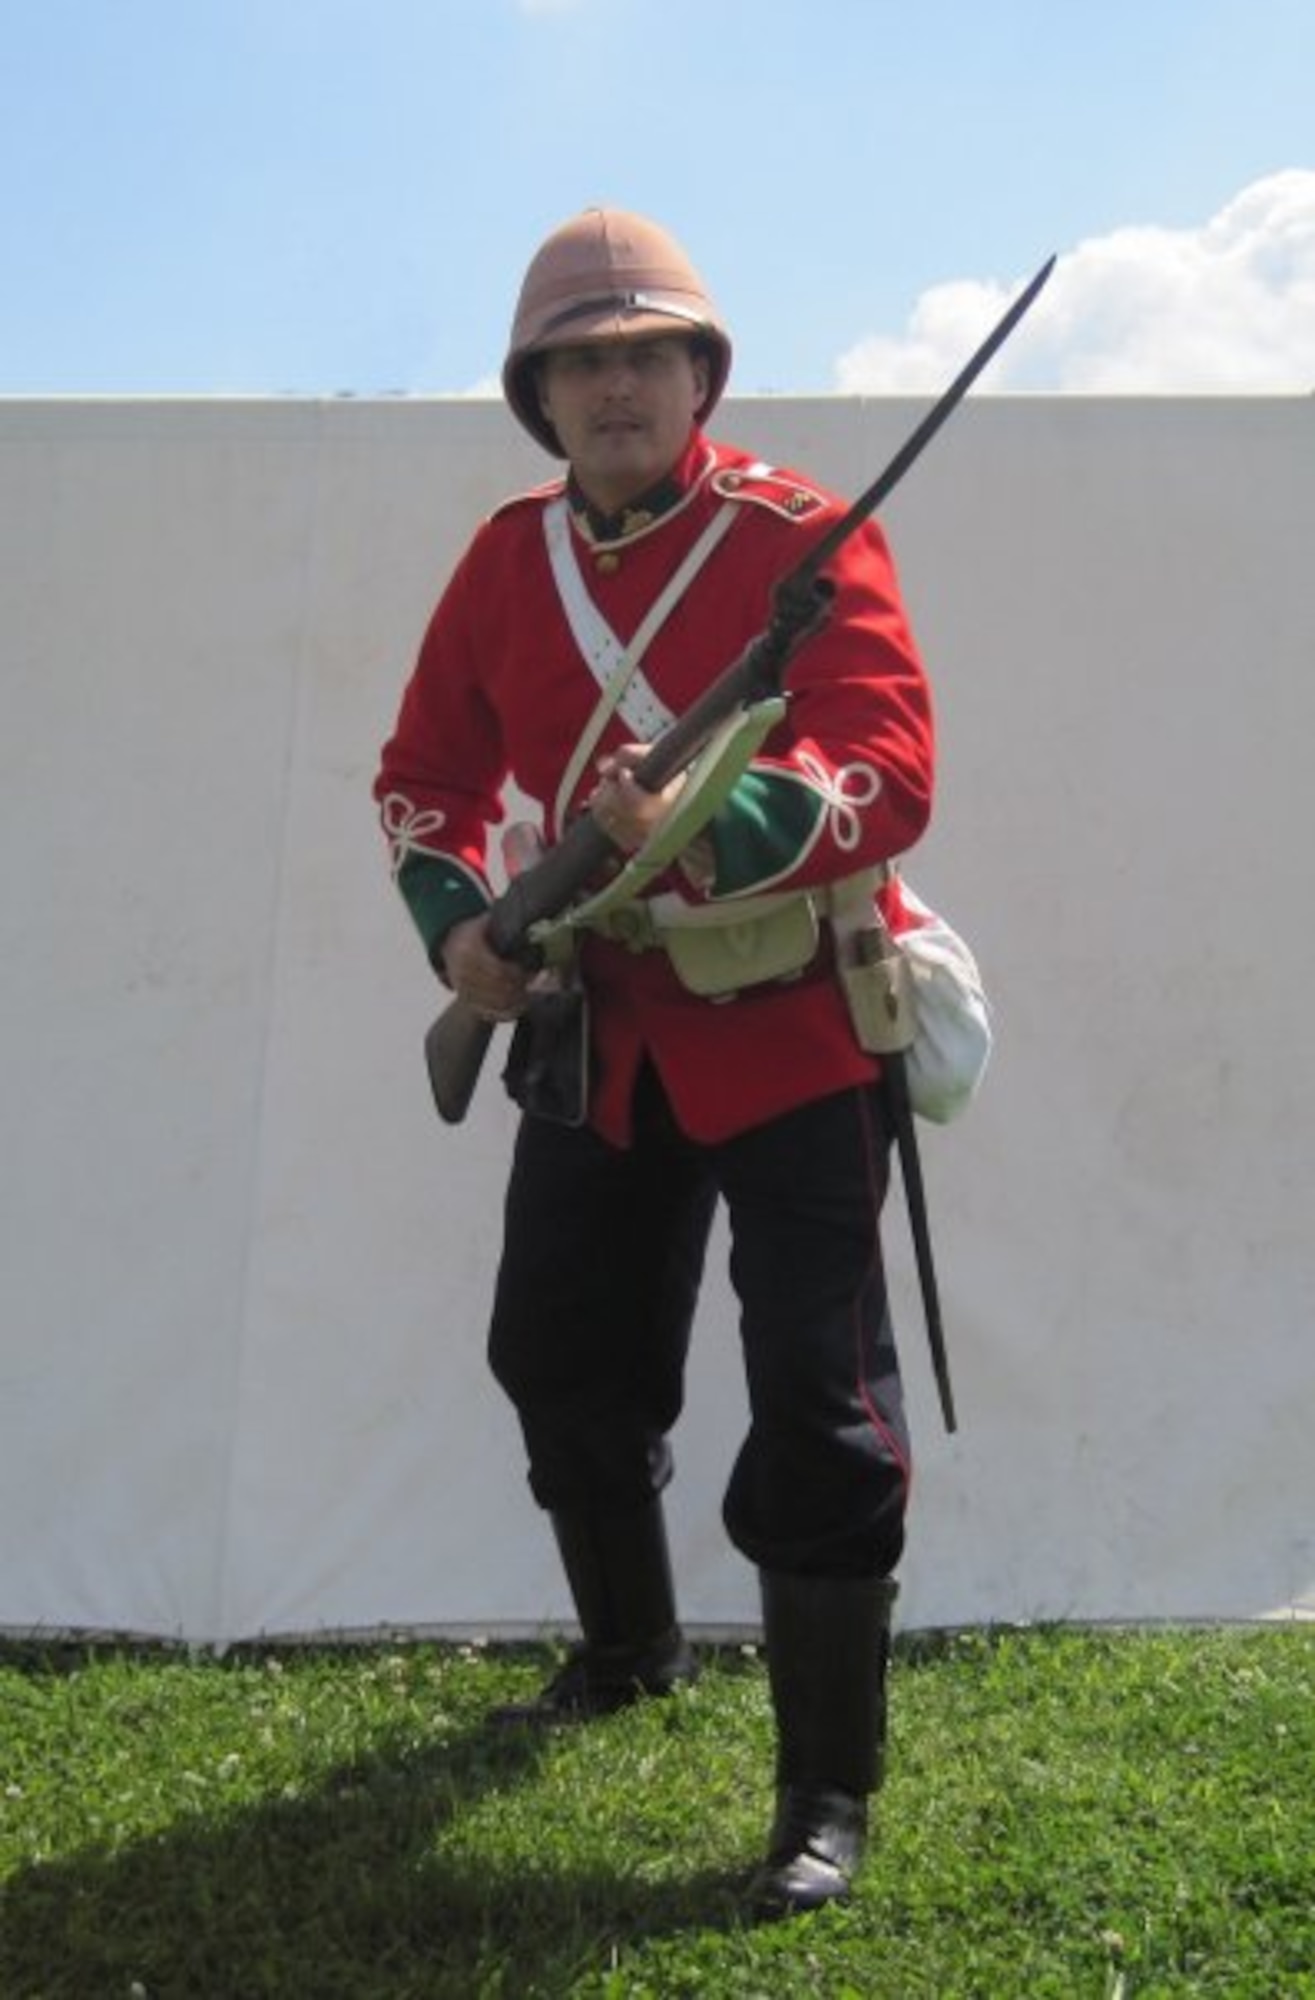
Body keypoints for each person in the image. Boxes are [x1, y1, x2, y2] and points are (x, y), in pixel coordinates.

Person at [373, 207, 935, 1919]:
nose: (617, 387)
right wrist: (464, 928)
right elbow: (423, 781)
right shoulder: (501, 561)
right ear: (537, 393)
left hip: (795, 1036)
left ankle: (824, 1791)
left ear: (702, 374)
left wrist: (704, 824)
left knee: (823, 1411)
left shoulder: (803, 535)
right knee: (555, 1354)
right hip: (601, 1040)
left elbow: (885, 770)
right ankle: (626, 1655)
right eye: (582, 360)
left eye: (646, 354)